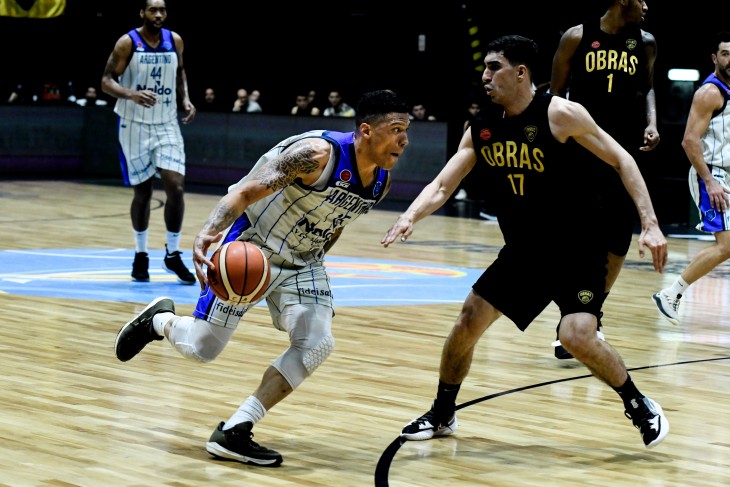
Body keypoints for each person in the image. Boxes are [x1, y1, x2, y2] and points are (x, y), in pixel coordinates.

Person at [382, 35, 669, 449]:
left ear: (520, 73)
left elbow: (623, 159)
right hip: (524, 253)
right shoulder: (482, 128)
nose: (485, 76)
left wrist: (650, 223)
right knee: (468, 320)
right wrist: (410, 215)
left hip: (577, 248)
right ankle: (442, 413)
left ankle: (639, 404)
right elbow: (444, 185)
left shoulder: (560, 114)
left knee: (575, 336)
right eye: (484, 68)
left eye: (494, 67)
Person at [114, 89, 410, 466]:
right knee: (203, 349)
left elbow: (336, 222)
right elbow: (245, 191)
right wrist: (208, 232)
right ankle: (160, 321)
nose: (404, 139)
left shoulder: (381, 182)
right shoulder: (316, 155)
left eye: (407, 131)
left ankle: (236, 429)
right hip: (253, 249)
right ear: (366, 131)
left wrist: (314, 265)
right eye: (396, 129)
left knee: (317, 343)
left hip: (304, 260)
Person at [548, 0, 660, 359]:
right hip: (580, 150)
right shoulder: (576, 37)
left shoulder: (645, 42)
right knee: (577, 237)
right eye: (640, 0)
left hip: (623, 154)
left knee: (618, 241)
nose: (646, 6)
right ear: (623, 0)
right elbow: (555, 94)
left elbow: (648, 87)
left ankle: (592, 309)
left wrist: (652, 122)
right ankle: (574, 314)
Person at [101, 0, 196, 285]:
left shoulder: (174, 41)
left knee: (175, 187)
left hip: (166, 123)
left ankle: (173, 253)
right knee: (142, 193)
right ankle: (140, 254)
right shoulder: (127, 43)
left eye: (162, 10)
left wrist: (185, 99)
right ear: (142, 13)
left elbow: (180, 72)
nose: (158, 14)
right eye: (153, 10)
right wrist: (132, 94)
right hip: (134, 124)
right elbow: (106, 81)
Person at [653, 32, 730, 326]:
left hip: (725, 172)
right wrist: (709, 181)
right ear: (714, 58)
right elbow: (689, 140)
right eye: (725, 54)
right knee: (726, 245)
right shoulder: (710, 93)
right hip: (711, 173)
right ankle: (671, 293)